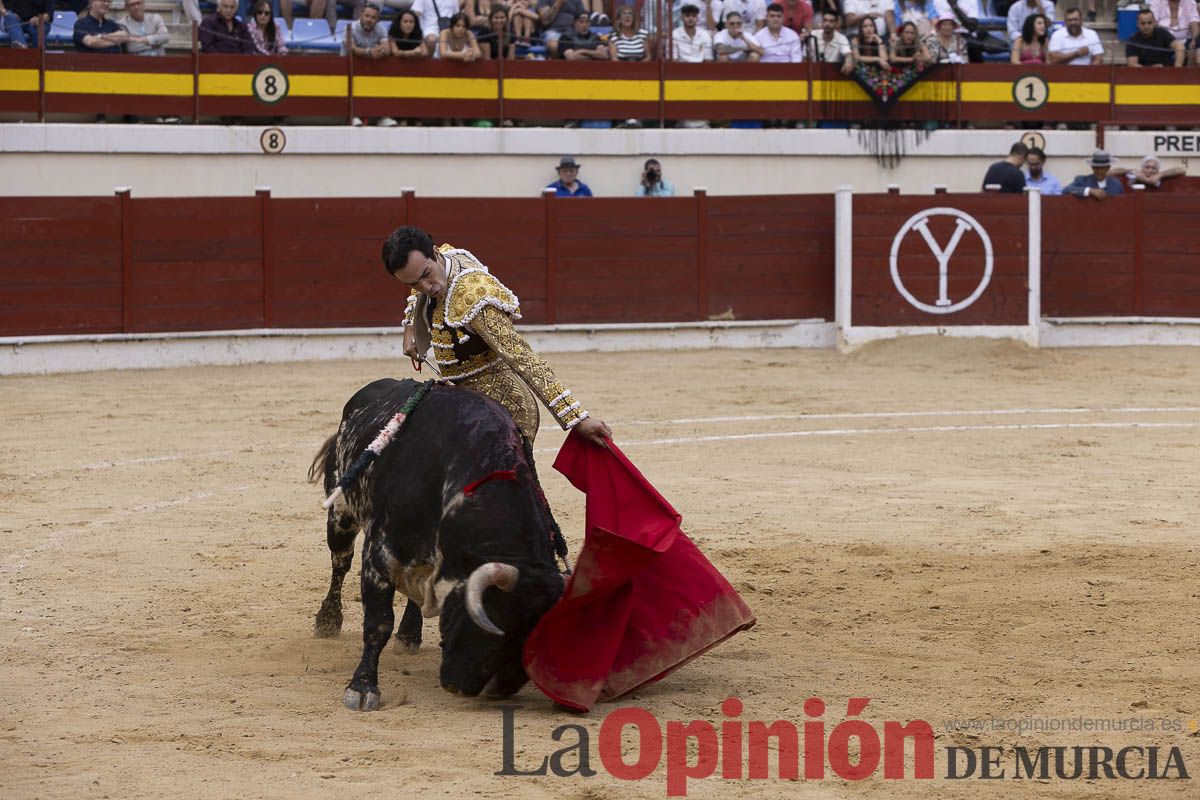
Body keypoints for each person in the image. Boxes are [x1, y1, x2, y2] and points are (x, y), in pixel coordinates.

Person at [388, 225, 613, 450]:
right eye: (413, 283)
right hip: (461, 396)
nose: (425, 287)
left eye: (426, 275)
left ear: (436, 253)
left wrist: (576, 418)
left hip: (503, 409)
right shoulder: (445, 257)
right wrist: (410, 329)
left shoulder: (475, 298)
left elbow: (523, 358)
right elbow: (417, 291)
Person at [1149, 0, 1198, 65]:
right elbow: (1152, 23)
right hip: (1163, 39)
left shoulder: (1190, 2)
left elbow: (1194, 22)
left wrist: (1194, 41)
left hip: (1185, 39)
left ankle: (1186, 74)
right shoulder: (1156, 2)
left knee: (1194, 50)